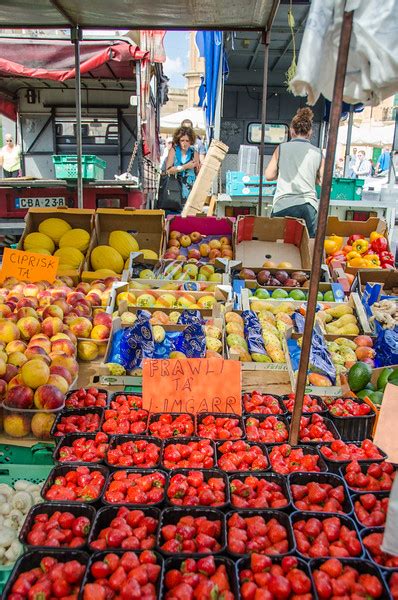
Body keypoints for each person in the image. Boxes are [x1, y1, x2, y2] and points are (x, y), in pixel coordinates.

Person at [264, 107, 324, 238]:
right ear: (310, 132)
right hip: (308, 206)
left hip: (283, 204)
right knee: (308, 247)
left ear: (291, 131)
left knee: (279, 246)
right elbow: (322, 181)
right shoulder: (317, 152)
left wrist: (283, 171)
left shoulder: (282, 148)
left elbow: (268, 175)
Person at [166, 126, 200, 209]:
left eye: (187, 140)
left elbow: (198, 172)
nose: (184, 143)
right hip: (175, 187)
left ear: (191, 141)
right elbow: (168, 170)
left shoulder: (194, 152)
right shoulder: (173, 150)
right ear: (178, 140)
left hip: (190, 187)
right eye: (182, 140)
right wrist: (185, 167)